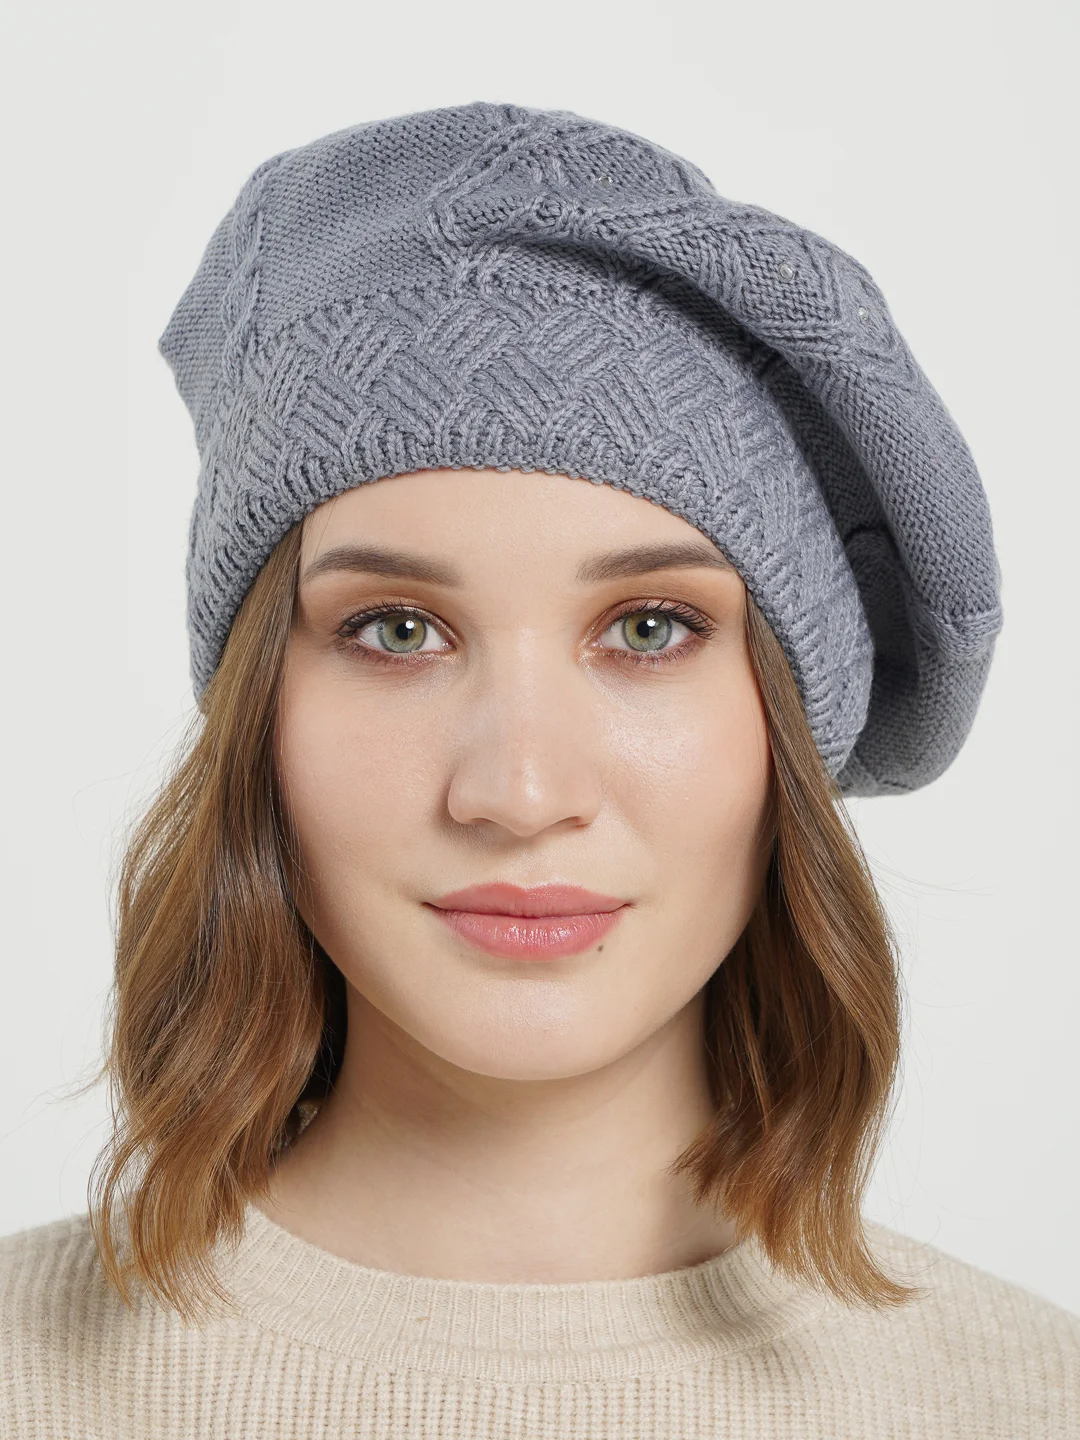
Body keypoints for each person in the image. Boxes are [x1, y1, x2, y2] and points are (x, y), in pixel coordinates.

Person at [1, 101, 1076, 1439]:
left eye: (650, 630)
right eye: (396, 632)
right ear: (256, 713)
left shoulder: (1031, 1403)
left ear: (788, 729)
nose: (517, 793)